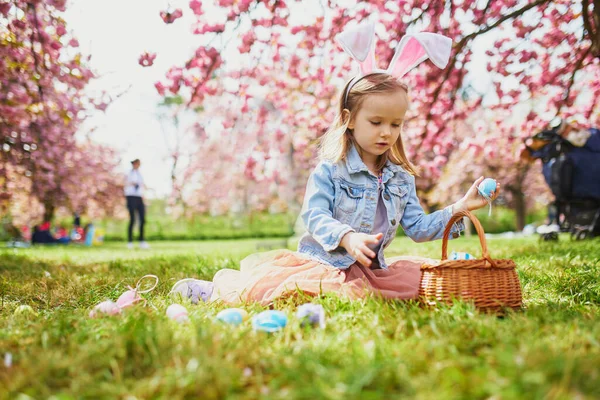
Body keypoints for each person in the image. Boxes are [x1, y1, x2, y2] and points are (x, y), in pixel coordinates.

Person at [170, 22, 499, 306]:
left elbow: (418, 229)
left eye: (395, 124)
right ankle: (215, 291)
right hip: (324, 263)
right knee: (290, 292)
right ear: (350, 119)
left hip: (372, 272)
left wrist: (461, 207)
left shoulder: (400, 179)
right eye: (376, 122)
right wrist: (348, 238)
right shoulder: (331, 170)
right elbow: (314, 217)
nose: (387, 132)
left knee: (420, 285)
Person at [125, 158, 149, 249]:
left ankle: (142, 240)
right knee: (132, 219)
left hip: (139, 197)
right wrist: (131, 183)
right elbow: (124, 183)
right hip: (131, 197)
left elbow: (142, 185)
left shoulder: (140, 174)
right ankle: (130, 241)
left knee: (142, 219)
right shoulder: (128, 173)